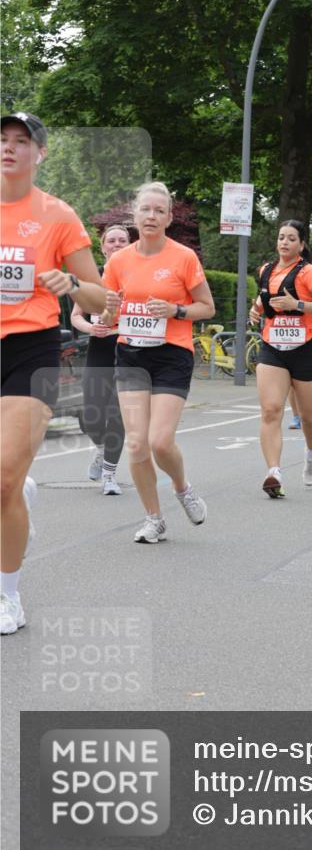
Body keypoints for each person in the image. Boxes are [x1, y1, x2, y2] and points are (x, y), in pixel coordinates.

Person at [1, 112, 107, 634]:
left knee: (1, 478)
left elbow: (102, 296)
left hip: (29, 348)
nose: (9, 148)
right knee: (7, 480)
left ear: (39, 154)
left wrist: (68, 282)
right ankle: (22, 491)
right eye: (2, 140)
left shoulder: (57, 215)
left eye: (21, 141)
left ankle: (7, 595)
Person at [103, 182, 214, 542]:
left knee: (160, 442)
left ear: (168, 218)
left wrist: (175, 309)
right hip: (131, 354)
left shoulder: (183, 257)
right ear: (134, 214)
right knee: (136, 444)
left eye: (159, 211)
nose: (151, 216)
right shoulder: (118, 261)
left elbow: (207, 307)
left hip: (171, 354)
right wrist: (110, 311)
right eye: (145, 209)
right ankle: (154, 518)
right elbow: (106, 318)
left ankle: (182, 488)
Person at [249, 219, 312, 497]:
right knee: (271, 410)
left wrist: (296, 304)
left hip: (305, 348)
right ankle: (273, 471)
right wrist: (255, 310)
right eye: (281, 237)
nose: (284, 242)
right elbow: (263, 299)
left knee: (310, 417)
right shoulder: (266, 270)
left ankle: (311, 455)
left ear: (301, 244)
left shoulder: (308, 272)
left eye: (291, 238)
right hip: (273, 347)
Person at [71, 224, 131, 494]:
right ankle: (101, 448)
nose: (117, 245)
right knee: (90, 415)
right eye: (112, 241)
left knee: (116, 413)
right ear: (103, 246)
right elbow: (76, 317)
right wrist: (90, 328)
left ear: (130, 245)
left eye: (122, 241)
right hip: (99, 348)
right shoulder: (92, 277)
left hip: (128, 349)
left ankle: (109, 474)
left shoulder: (138, 274)